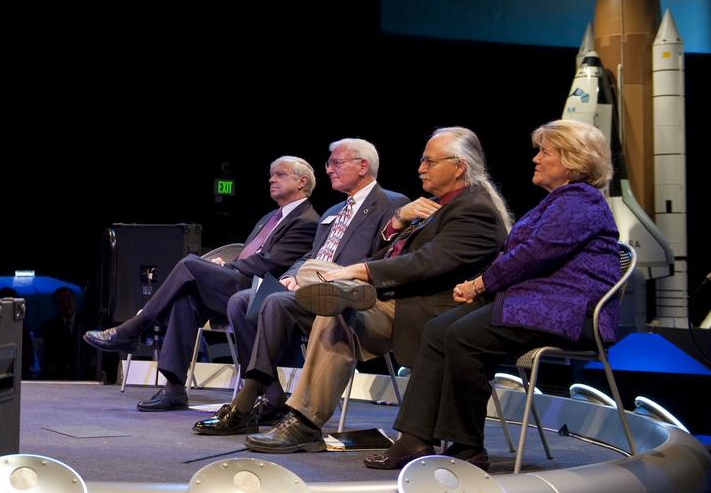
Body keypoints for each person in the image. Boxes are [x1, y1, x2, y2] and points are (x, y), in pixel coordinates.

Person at [366, 119, 622, 470]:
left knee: (464, 336)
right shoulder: (559, 201)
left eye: (544, 152)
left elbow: (533, 254)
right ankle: (415, 438)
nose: (535, 159)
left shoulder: (581, 201)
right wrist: (482, 287)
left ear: (571, 160)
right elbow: (520, 254)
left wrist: (481, 284)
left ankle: (467, 446)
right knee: (438, 329)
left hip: (567, 311)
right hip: (534, 305)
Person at [241, 127, 509, 452]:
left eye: (428, 161)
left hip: (426, 311)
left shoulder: (474, 209)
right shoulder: (433, 206)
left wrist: (362, 271)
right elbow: (392, 252)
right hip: (389, 300)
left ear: (458, 166)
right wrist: (397, 223)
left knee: (337, 306)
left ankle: (304, 421)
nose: (420, 168)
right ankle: (337, 292)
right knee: (313, 283)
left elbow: (429, 262)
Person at [192, 138, 408, 434]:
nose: (329, 169)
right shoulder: (334, 209)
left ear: (363, 166)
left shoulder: (392, 204)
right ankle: (272, 397)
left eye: (336, 162)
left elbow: (386, 256)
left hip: (348, 295)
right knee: (241, 302)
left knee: (274, 302)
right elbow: (312, 253)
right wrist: (293, 274)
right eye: (328, 163)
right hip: (308, 286)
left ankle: (246, 402)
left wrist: (329, 275)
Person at [82, 157, 321, 410]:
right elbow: (247, 256)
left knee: (190, 264)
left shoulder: (307, 221)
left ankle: (133, 329)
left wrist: (224, 268)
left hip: (263, 292)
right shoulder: (269, 217)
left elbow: (268, 264)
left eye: (280, 175)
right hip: (239, 283)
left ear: (301, 181)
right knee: (187, 298)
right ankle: (174, 388)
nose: (271, 179)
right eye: (271, 175)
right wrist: (222, 268)